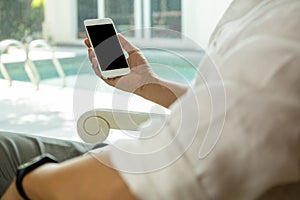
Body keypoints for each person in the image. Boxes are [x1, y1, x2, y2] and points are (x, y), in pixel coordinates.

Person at [1, 0, 300, 199]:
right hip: (145, 160)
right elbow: (232, 115)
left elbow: (158, 177)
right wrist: (148, 85)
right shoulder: (263, 11)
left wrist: (29, 184)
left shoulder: (286, 27)